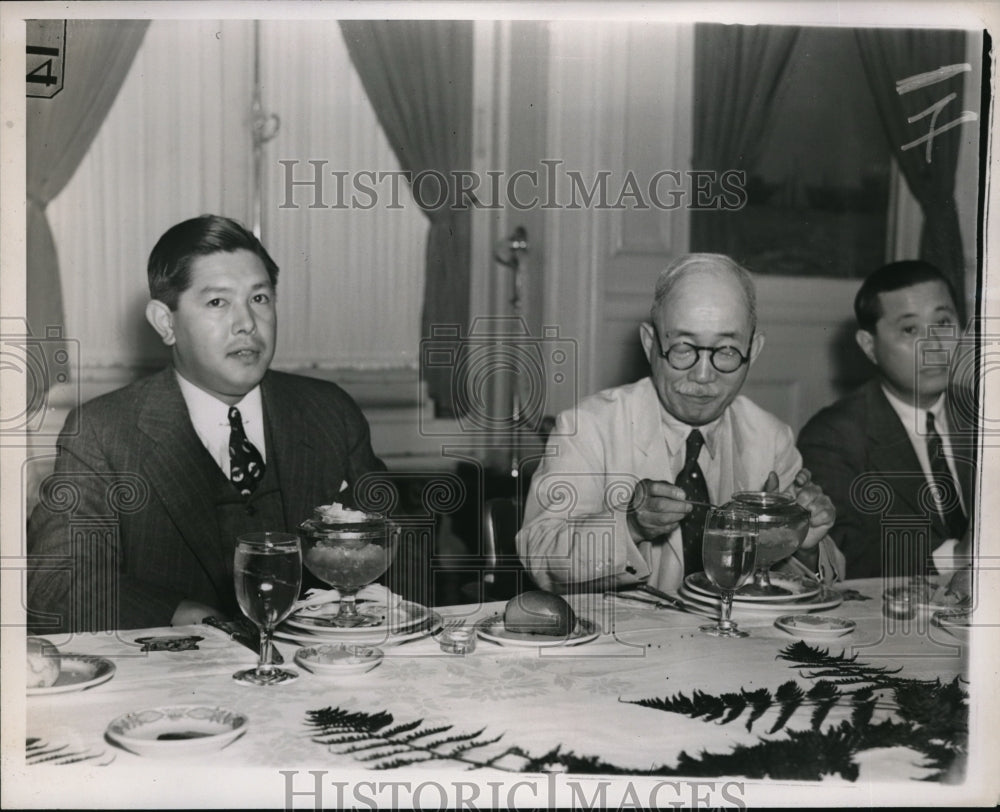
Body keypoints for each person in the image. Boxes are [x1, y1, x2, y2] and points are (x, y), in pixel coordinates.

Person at [27, 215, 389, 633]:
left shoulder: (329, 411)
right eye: (218, 302)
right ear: (166, 322)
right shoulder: (102, 432)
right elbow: (55, 585)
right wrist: (183, 615)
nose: (247, 324)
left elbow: (396, 547)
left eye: (260, 299)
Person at [516, 253, 842, 593]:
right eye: (683, 348)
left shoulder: (771, 438)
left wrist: (803, 544)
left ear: (754, 351)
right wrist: (630, 527)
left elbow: (819, 584)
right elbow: (539, 554)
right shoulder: (587, 428)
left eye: (727, 350)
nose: (703, 376)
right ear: (650, 344)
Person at [798, 260, 974, 582]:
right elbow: (841, 555)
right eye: (910, 330)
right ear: (870, 346)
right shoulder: (833, 438)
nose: (933, 347)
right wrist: (958, 556)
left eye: (944, 322)